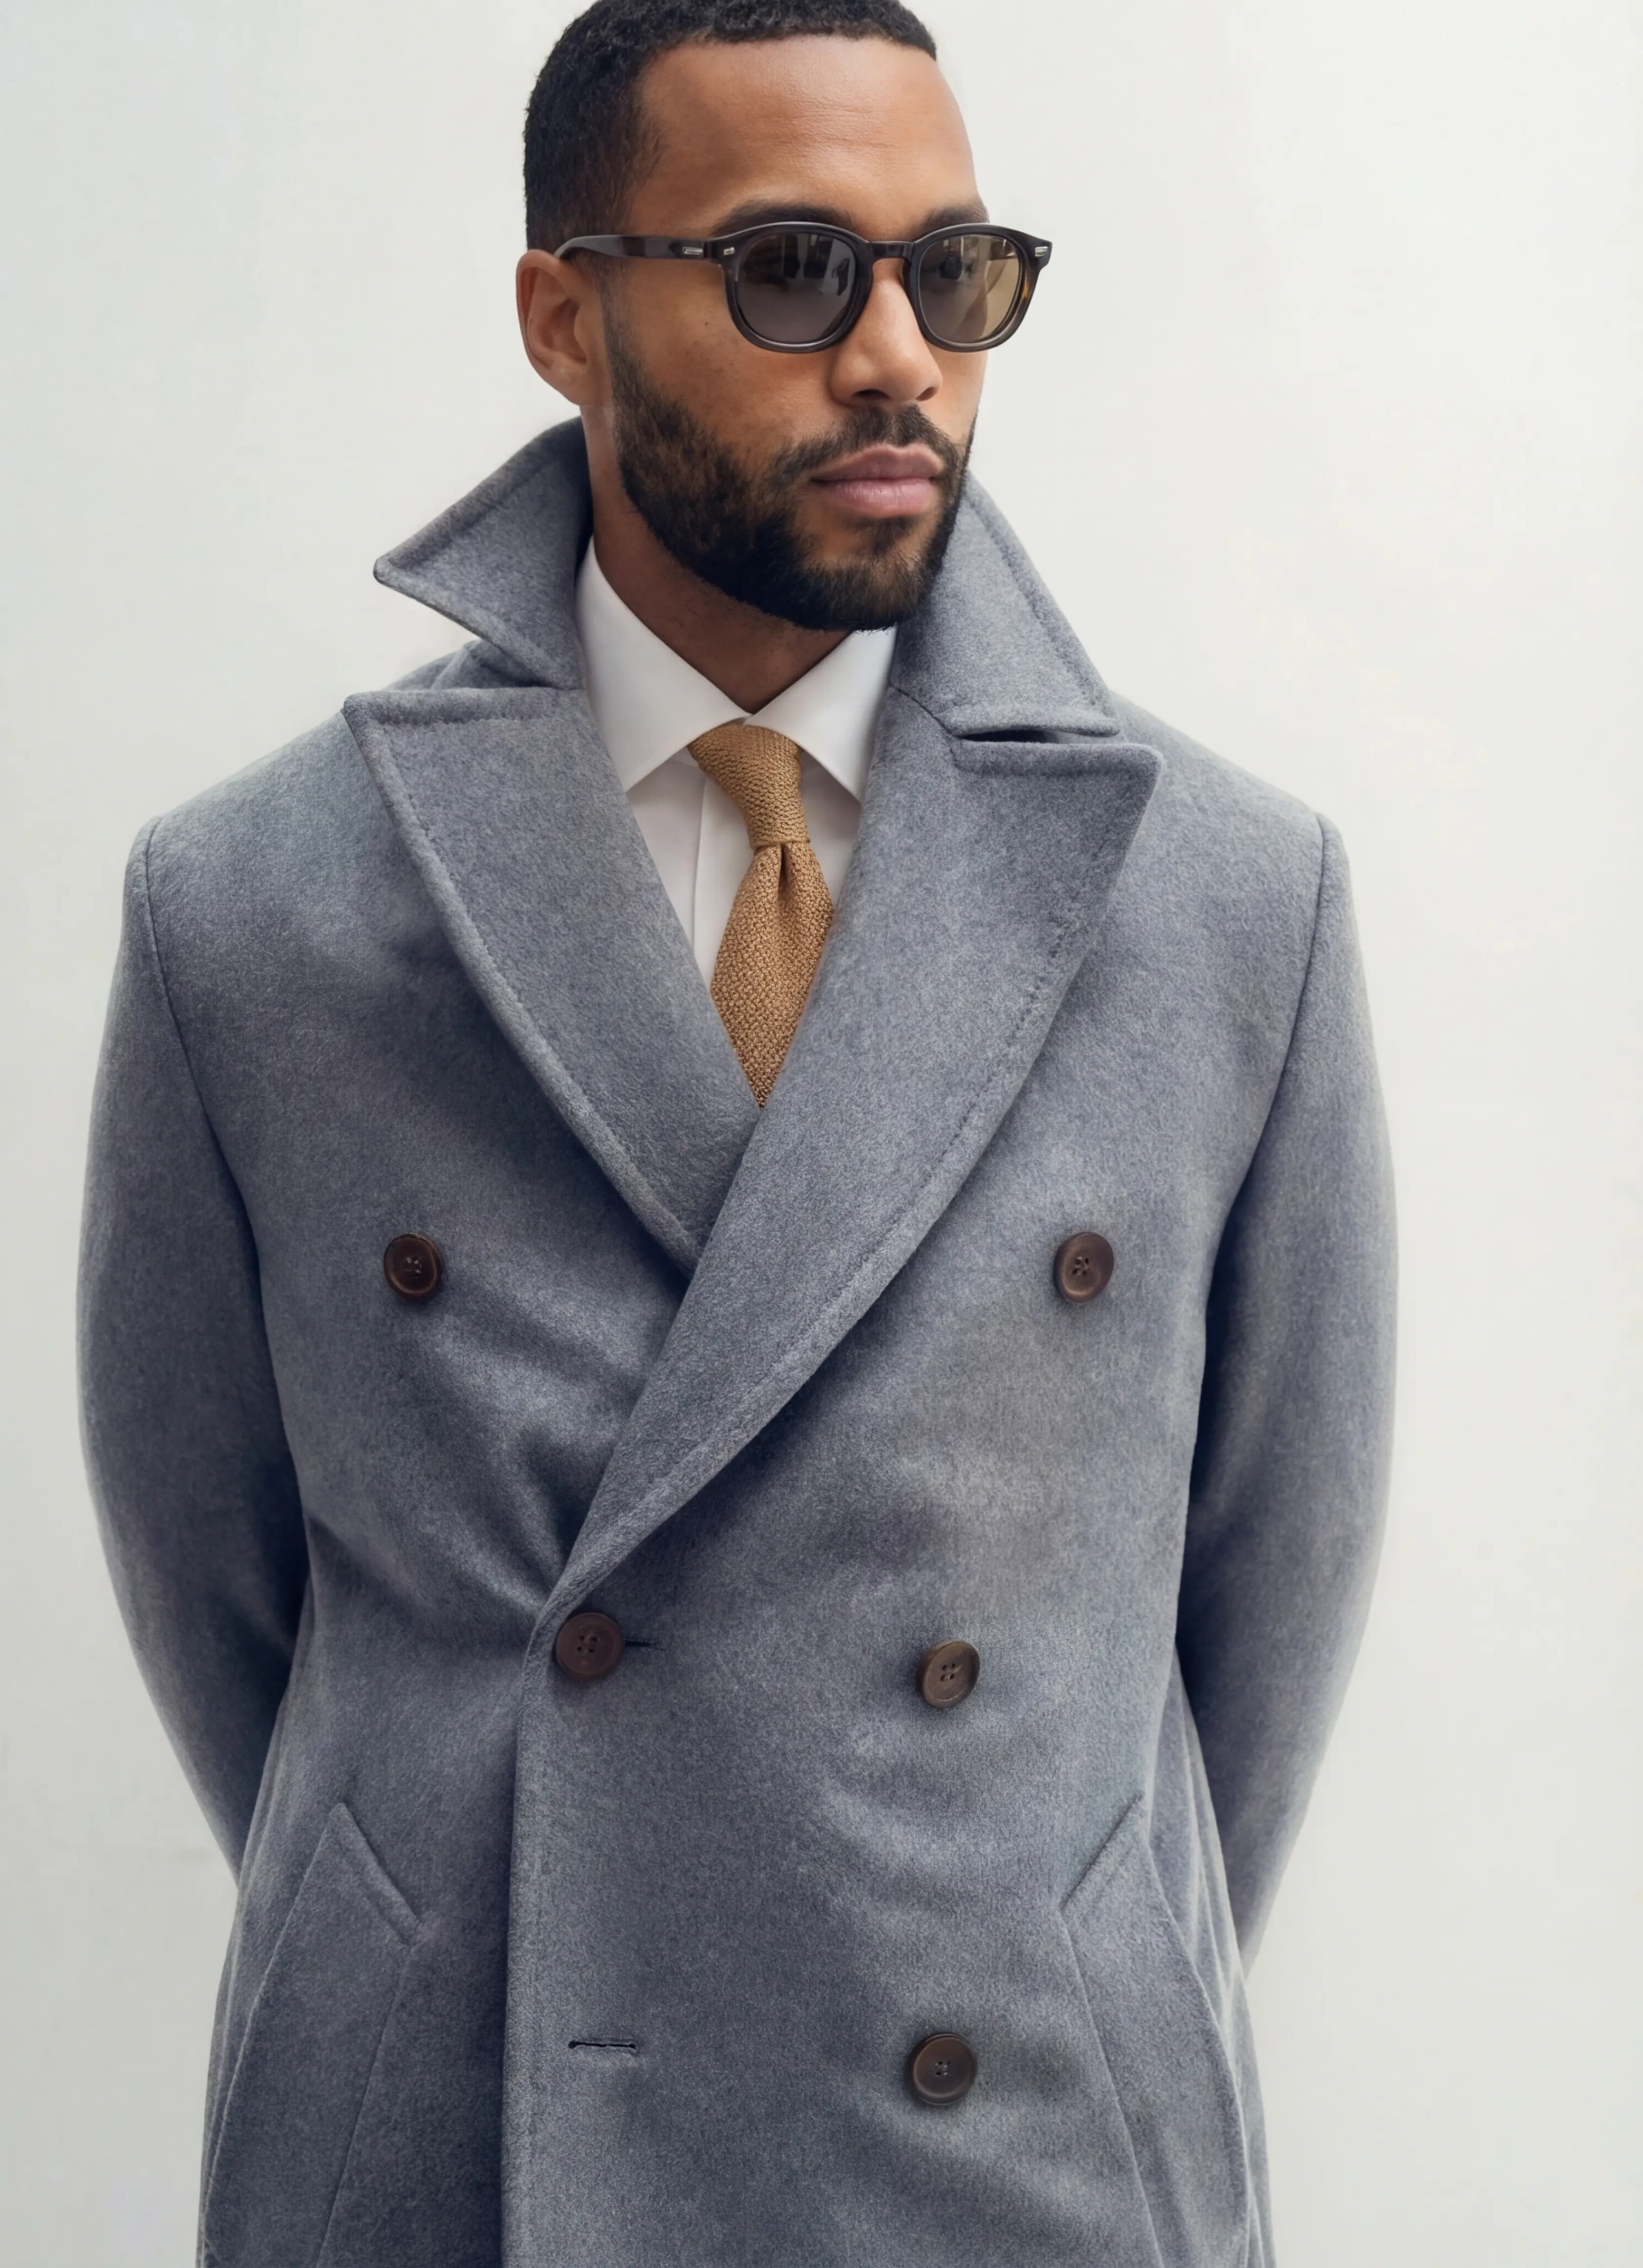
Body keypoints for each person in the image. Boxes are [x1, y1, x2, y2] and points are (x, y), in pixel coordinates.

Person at [77, 3, 1396, 2263]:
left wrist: (1052, 1925)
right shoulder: (254, 913)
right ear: (563, 317)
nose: (896, 359)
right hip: (458, 2148)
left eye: (953, 274)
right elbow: (230, 1600)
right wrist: (443, 1905)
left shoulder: (1223, 901)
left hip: (1022, 2151)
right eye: (792, 270)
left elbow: (1255, 1618)